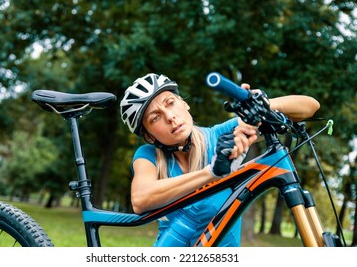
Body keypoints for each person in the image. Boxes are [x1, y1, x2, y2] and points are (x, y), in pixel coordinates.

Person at [120, 73, 320, 247]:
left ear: (184, 103)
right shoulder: (148, 155)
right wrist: (212, 172)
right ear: (149, 136)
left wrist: (261, 103)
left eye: (170, 103)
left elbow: (310, 107)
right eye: (155, 118)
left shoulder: (218, 136)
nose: (170, 117)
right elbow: (140, 200)